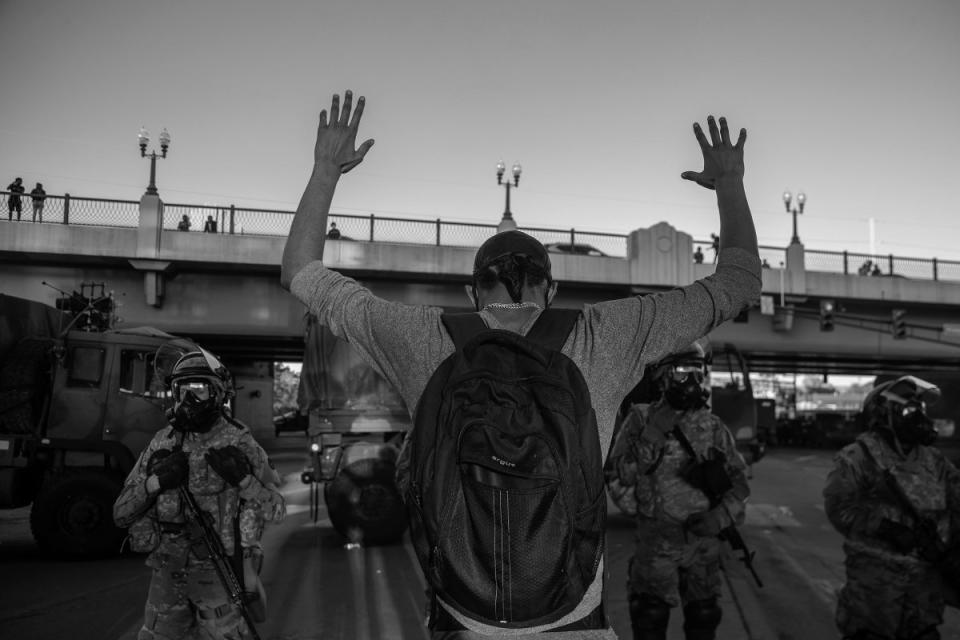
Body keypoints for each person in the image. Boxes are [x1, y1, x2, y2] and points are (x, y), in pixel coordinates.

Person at [280, 90, 761, 637]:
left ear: (472, 291)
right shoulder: (605, 336)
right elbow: (740, 280)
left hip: (463, 615)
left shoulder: (424, 338)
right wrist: (729, 183)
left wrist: (325, 170)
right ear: (551, 289)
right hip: (571, 614)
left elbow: (299, 268)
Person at [113, 349, 286, 640]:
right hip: (168, 570)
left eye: (199, 391)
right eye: (182, 392)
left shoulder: (241, 442)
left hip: (217, 572)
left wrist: (245, 481)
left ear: (218, 394)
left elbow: (276, 511)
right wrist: (155, 482)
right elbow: (120, 514)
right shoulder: (162, 443)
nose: (189, 401)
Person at [606, 339, 750, 640]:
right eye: (683, 371)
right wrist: (653, 434)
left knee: (704, 618)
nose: (692, 380)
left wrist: (720, 519)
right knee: (649, 620)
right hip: (656, 547)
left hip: (703, 545)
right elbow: (621, 477)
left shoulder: (712, 426)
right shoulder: (640, 419)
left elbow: (740, 483)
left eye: (698, 372)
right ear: (663, 375)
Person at [824, 376, 960, 640]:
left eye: (921, 410)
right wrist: (886, 529)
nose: (919, 416)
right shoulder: (859, 456)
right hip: (876, 586)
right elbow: (839, 508)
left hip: (924, 584)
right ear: (885, 415)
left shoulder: (934, 461)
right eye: (910, 410)